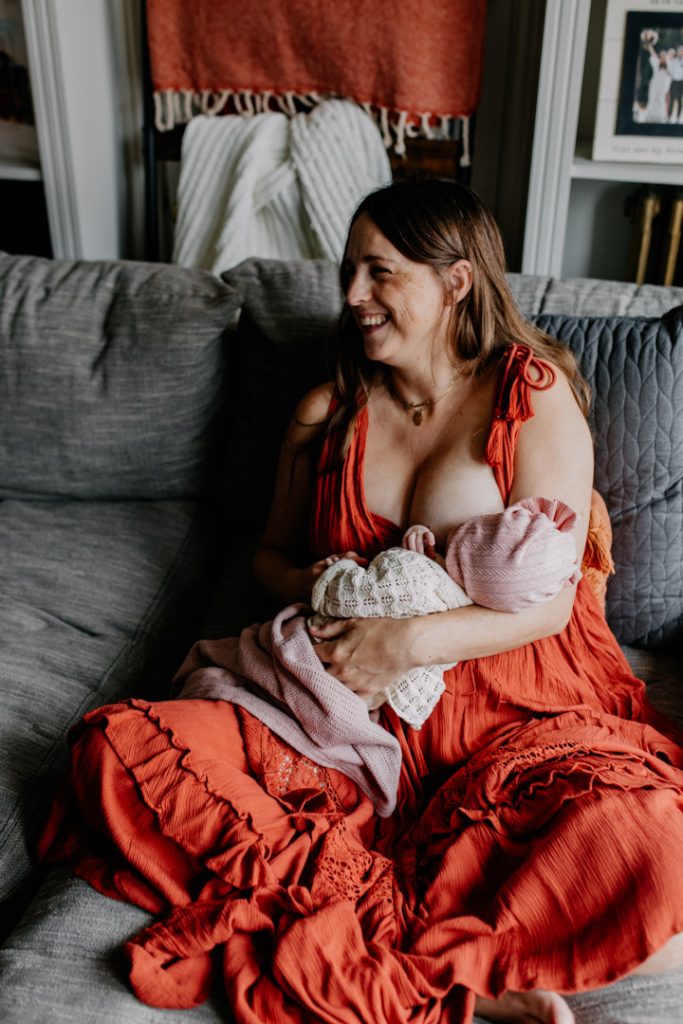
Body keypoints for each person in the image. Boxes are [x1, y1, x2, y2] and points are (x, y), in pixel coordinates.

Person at [40, 180, 683, 1024]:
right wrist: (332, 588)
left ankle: (403, 952)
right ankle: (419, 952)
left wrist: (407, 642)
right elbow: (269, 556)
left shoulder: (530, 393)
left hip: (508, 701)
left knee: (642, 845)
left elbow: (552, 606)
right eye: (348, 271)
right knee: (113, 753)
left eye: (379, 272)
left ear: (455, 281)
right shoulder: (328, 411)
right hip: (337, 712)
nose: (350, 297)